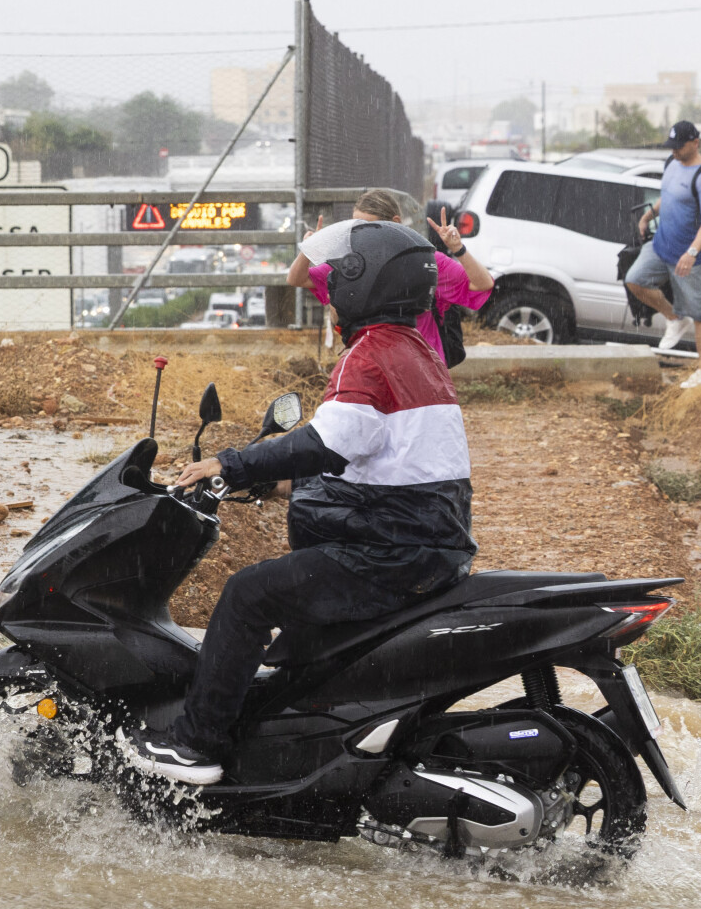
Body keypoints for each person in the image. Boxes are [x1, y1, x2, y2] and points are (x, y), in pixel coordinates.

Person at [130, 221, 477, 785]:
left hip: (391, 553)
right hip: (419, 540)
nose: (332, 286)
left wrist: (231, 462)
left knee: (248, 594)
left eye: (340, 275)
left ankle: (196, 746)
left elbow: (322, 443)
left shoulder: (372, 355)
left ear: (362, 285)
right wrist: (278, 483)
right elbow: (375, 462)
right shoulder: (415, 351)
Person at [287, 189, 492, 365]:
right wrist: (310, 248)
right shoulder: (354, 262)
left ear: (395, 222)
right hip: (374, 361)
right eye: (357, 227)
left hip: (422, 362)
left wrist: (458, 248)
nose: (362, 234)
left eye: (370, 227)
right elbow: (297, 279)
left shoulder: (426, 260)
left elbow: (482, 284)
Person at [627, 120, 701, 389]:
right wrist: (648, 215)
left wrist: (692, 252)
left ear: (695, 143)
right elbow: (667, 196)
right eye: (672, 146)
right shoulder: (671, 162)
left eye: (680, 146)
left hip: (693, 260)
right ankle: (674, 318)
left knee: (700, 314)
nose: (675, 151)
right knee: (634, 280)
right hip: (661, 246)